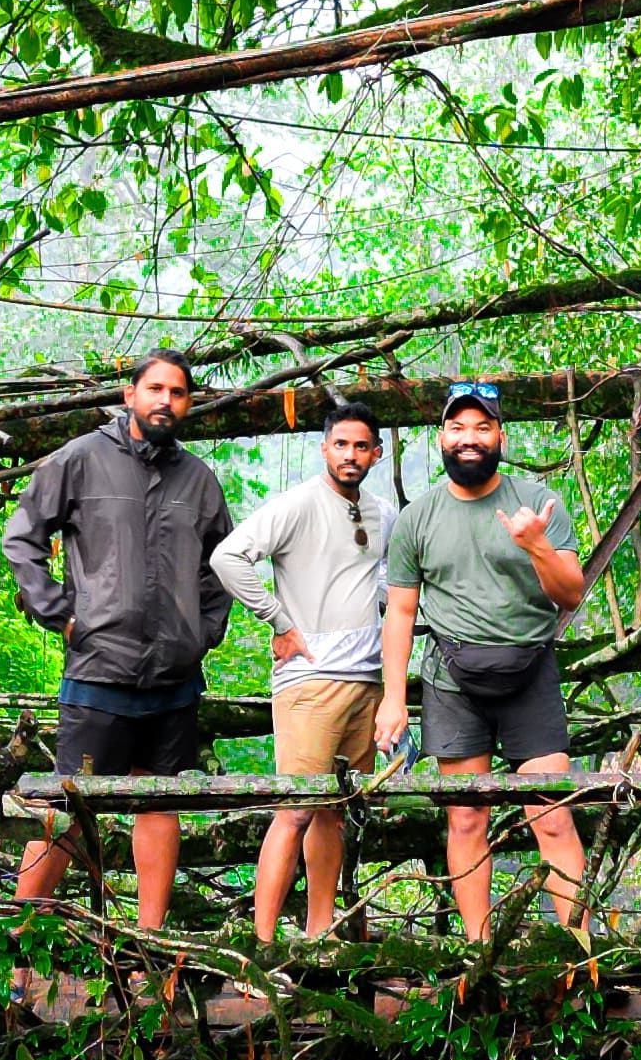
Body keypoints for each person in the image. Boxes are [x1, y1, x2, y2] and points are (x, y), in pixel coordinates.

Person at [1, 349, 230, 934]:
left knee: (159, 807)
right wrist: (61, 613)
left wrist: (203, 633)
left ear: (188, 404)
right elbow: (22, 538)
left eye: (177, 393)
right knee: (66, 811)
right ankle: (17, 945)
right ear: (130, 394)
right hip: (99, 669)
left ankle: (149, 947)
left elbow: (222, 564)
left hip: (173, 679)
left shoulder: (199, 480)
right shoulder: (80, 459)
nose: (165, 401)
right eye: (154, 389)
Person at [376, 381, 588, 937]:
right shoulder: (416, 519)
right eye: (458, 428)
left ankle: (581, 951)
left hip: (530, 677)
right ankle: (478, 953)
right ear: (441, 438)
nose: (469, 438)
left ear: (500, 436)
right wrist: (393, 700)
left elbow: (571, 593)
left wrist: (536, 544)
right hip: (453, 683)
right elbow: (399, 614)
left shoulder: (536, 502)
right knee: (467, 819)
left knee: (552, 816)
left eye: (481, 427)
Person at [211, 404, 390, 946]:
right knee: (294, 810)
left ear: (376, 454)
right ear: (324, 449)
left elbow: (386, 574)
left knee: (334, 811)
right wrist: (280, 621)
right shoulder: (299, 503)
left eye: (361, 447)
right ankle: (260, 947)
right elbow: (228, 557)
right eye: (341, 445)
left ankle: (319, 936)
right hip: (310, 680)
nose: (350, 456)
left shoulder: (383, 512)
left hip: (367, 678)